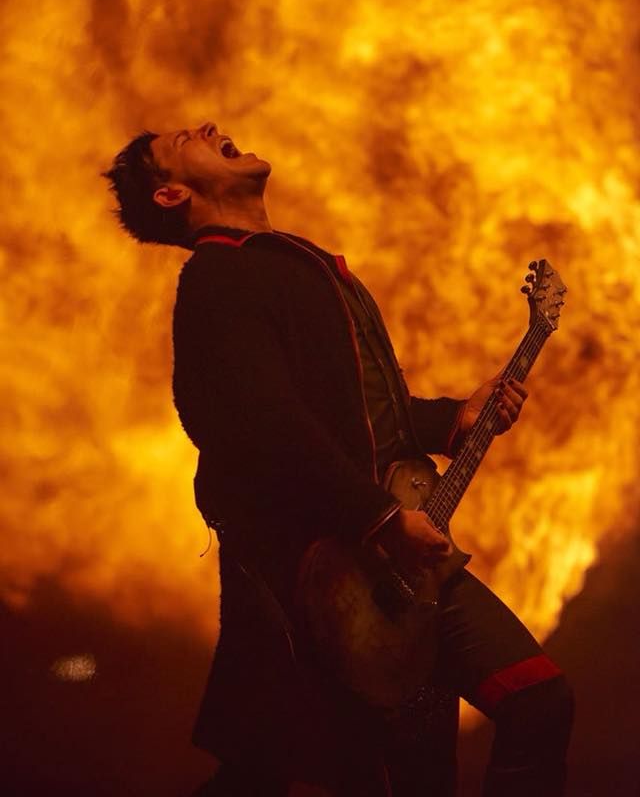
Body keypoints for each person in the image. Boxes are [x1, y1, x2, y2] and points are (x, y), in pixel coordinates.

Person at [103, 122, 574, 796]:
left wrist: (452, 418)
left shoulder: (291, 263)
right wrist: (379, 517)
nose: (209, 126)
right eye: (185, 140)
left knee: (537, 703)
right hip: (333, 583)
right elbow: (261, 425)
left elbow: (358, 416)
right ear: (174, 193)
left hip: (398, 567)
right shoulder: (218, 277)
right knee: (339, 771)